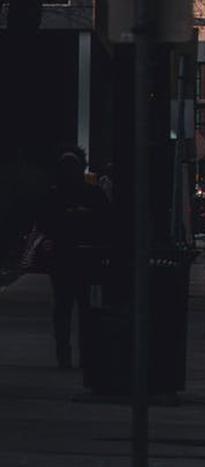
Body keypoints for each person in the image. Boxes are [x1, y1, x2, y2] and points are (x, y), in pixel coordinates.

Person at [37, 151, 111, 369]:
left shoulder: (54, 195)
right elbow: (106, 221)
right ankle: (86, 353)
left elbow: (43, 222)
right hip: (84, 257)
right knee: (85, 308)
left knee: (63, 307)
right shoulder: (92, 193)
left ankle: (64, 352)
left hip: (63, 257)